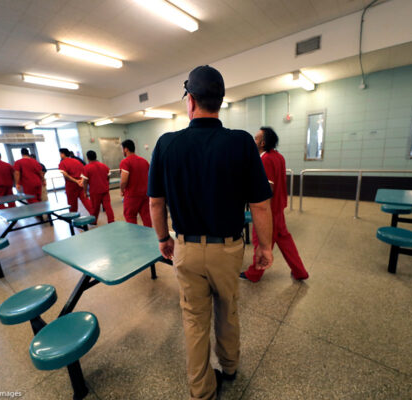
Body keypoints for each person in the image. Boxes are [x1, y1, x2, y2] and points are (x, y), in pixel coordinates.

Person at [148, 65, 274, 400]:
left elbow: (156, 204)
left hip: (186, 248)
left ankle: (201, 390)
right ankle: (230, 368)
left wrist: (163, 238)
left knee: (193, 318)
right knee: (228, 309)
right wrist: (266, 246)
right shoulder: (242, 142)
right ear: (220, 101)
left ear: (190, 101)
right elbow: (261, 205)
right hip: (228, 249)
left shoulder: (166, 144)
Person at [240, 127, 310, 282]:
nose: (254, 141)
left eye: (256, 138)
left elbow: (268, 187)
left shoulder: (265, 160)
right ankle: (300, 272)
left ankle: (254, 273)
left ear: (263, 143)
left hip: (269, 210)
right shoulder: (278, 157)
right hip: (279, 207)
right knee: (285, 240)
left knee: (261, 240)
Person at [120, 140, 151, 227]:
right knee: (147, 217)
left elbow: (124, 180)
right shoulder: (144, 161)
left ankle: (134, 238)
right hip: (145, 194)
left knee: (130, 216)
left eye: (122, 149)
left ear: (126, 149)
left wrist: (122, 190)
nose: (122, 151)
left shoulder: (125, 162)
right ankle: (150, 237)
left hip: (132, 195)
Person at [81, 150, 114, 224]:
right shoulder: (104, 166)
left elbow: (85, 182)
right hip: (105, 190)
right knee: (108, 207)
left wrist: (85, 192)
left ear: (88, 158)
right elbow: (108, 177)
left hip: (95, 191)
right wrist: (106, 184)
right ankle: (111, 221)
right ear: (96, 156)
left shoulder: (86, 168)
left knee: (95, 208)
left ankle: (93, 221)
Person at [59, 148, 92, 213]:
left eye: (60, 153)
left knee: (72, 205)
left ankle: (73, 219)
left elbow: (65, 175)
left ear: (63, 154)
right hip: (81, 184)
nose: (60, 155)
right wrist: (81, 180)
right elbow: (84, 171)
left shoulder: (62, 163)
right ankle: (94, 215)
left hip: (71, 185)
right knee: (86, 200)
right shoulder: (76, 161)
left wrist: (76, 181)